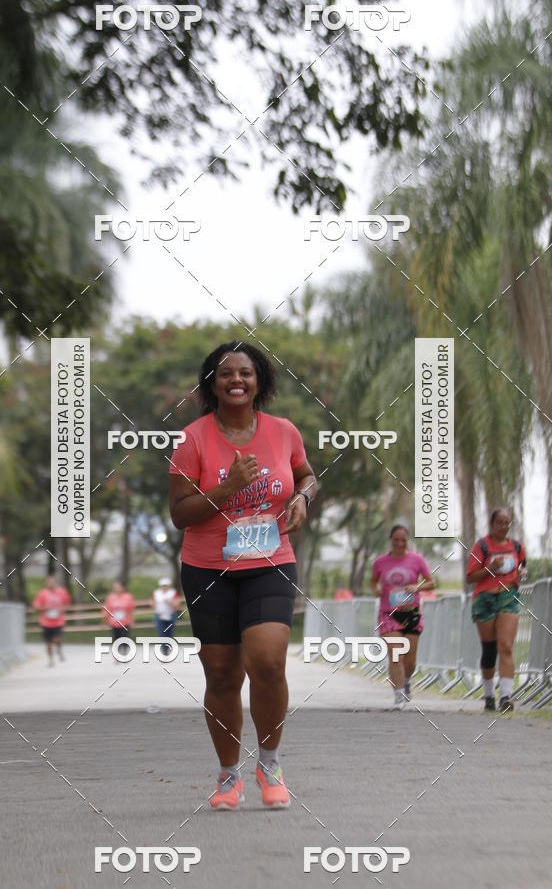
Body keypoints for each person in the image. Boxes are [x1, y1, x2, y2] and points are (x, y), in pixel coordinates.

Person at [169, 341, 317, 810]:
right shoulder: (190, 439)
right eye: (226, 373)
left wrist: (303, 498)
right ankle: (229, 774)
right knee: (222, 673)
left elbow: (308, 476)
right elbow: (179, 514)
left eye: (246, 373)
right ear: (212, 384)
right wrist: (229, 486)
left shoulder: (283, 431)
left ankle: (269, 763)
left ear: (260, 382)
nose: (236, 380)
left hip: (270, 562)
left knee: (269, 661)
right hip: (207, 567)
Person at [466, 507, 527, 713]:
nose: (504, 526)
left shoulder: (517, 547)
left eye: (507, 522)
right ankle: (489, 694)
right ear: (491, 525)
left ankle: (506, 696)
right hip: (485, 599)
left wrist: (521, 574)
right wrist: (491, 568)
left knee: (506, 646)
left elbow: (522, 570)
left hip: (508, 596)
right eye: (499, 522)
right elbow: (470, 577)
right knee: (490, 651)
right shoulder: (482, 546)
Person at [371, 525, 435, 708]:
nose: (399, 543)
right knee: (396, 652)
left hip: (411, 613)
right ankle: (398, 695)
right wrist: (375, 590)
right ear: (390, 540)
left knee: (410, 659)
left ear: (407, 541)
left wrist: (418, 587)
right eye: (396, 540)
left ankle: (406, 681)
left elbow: (431, 583)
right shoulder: (380, 562)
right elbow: (373, 581)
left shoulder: (417, 560)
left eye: (403, 540)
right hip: (388, 613)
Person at [32, 575, 72, 667]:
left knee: (58, 639)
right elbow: (36, 607)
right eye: (48, 582)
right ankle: (50, 659)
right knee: (48, 642)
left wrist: (62, 609)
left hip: (58, 621)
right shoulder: (42, 593)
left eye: (52, 582)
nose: (50, 584)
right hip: (46, 622)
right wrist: (44, 607)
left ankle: (59, 649)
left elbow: (67, 604)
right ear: (46, 583)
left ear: (55, 583)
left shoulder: (62, 592)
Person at [103, 581, 136, 657]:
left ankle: (124, 652)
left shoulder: (128, 597)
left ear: (122, 588)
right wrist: (105, 622)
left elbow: (131, 610)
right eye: (115, 587)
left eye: (118, 587)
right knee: (116, 638)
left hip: (125, 621)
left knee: (125, 637)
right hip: (114, 622)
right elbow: (107, 610)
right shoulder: (110, 597)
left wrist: (132, 621)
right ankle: (117, 654)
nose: (117, 589)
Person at [153, 577, 180, 655]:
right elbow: (152, 602)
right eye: (163, 585)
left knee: (169, 634)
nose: (164, 587)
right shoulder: (156, 593)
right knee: (162, 634)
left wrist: (168, 602)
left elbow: (176, 605)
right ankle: (164, 652)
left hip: (171, 616)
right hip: (159, 616)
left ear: (169, 586)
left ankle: (167, 648)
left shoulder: (173, 592)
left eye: (166, 585)